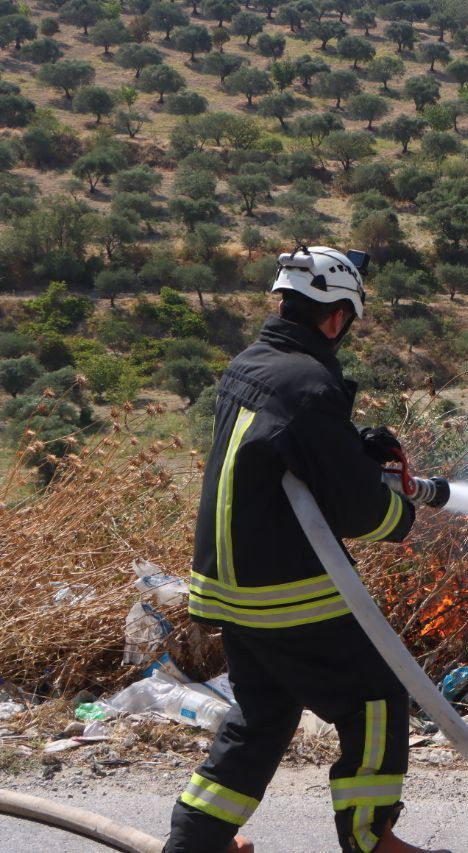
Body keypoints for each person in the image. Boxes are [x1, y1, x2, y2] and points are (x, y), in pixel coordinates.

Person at [166, 246, 443, 853]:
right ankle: (372, 838)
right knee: (375, 696)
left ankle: (195, 842)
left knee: (262, 715)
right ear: (337, 317)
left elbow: (280, 455)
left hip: (224, 585)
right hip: (282, 590)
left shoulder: (252, 365)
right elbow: (360, 514)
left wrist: (349, 447)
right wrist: (402, 513)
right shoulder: (310, 387)